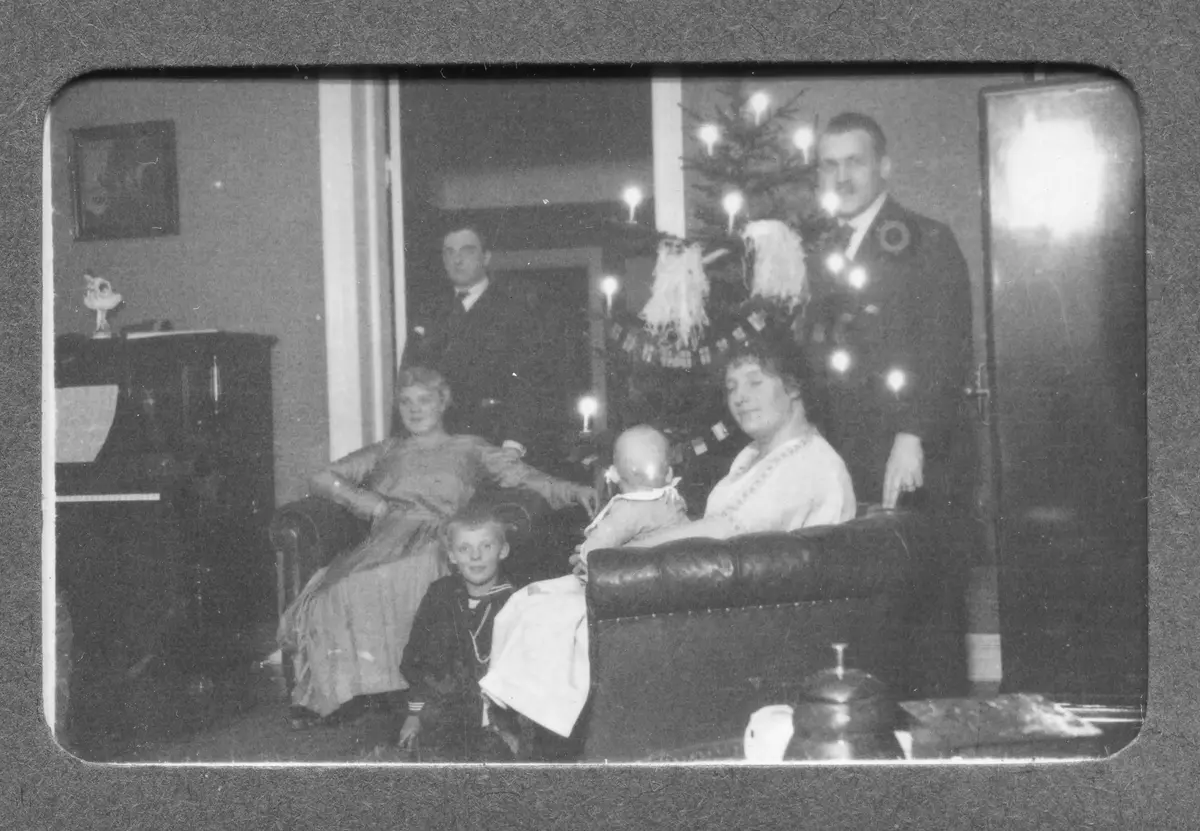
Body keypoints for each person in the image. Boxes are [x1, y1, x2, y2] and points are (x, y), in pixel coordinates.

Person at [478, 333, 857, 745]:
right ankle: (512, 723)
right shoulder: (754, 455)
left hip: (753, 623)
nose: (740, 397)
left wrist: (620, 556)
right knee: (534, 600)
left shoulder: (809, 463)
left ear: (793, 385)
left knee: (554, 617)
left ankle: (537, 735)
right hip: (722, 593)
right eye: (732, 387)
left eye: (755, 382)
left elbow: (728, 531)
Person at [276, 366, 598, 728]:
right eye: (406, 402)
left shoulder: (469, 447)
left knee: (424, 568)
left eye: (424, 400)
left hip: (440, 535)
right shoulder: (388, 449)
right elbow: (322, 477)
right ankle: (345, 694)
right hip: (386, 538)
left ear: (443, 403)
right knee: (334, 592)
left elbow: (525, 477)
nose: (414, 409)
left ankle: (416, 692)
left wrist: (575, 491)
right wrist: (370, 503)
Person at [807, 111, 975, 513]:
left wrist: (912, 436)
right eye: (830, 165)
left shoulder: (927, 241)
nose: (842, 177)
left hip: (910, 454)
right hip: (839, 452)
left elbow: (946, 350)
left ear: (883, 167)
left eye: (854, 162)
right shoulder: (818, 251)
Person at [478, 425, 691, 741]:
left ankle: (512, 694)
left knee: (531, 604)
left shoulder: (628, 508)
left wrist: (582, 555)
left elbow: (594, 552)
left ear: (615, 474)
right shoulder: (673, 501)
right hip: (650, 586)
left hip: (611, 587)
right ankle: (509, 693)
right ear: (669, 471)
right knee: (531, 601)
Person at [395, 504, 522, 762]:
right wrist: (414, 715)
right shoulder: (440, 596)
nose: (475, 556)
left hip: (499, 719)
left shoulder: (516, 602)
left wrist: (508, 727)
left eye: (486, 546)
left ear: (503, 550)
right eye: (464, 548)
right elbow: (418, 659)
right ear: (451, 556)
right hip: (446, 713)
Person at [403, 225, 540, 458]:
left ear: (485, 257)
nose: (457, 260)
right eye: (449, 252)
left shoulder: (514, 310)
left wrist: (513, 445)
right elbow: (408, 379)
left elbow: (529, 381)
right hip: (434, 444)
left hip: (492, 441)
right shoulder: (429, 310)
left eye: (467, 251)